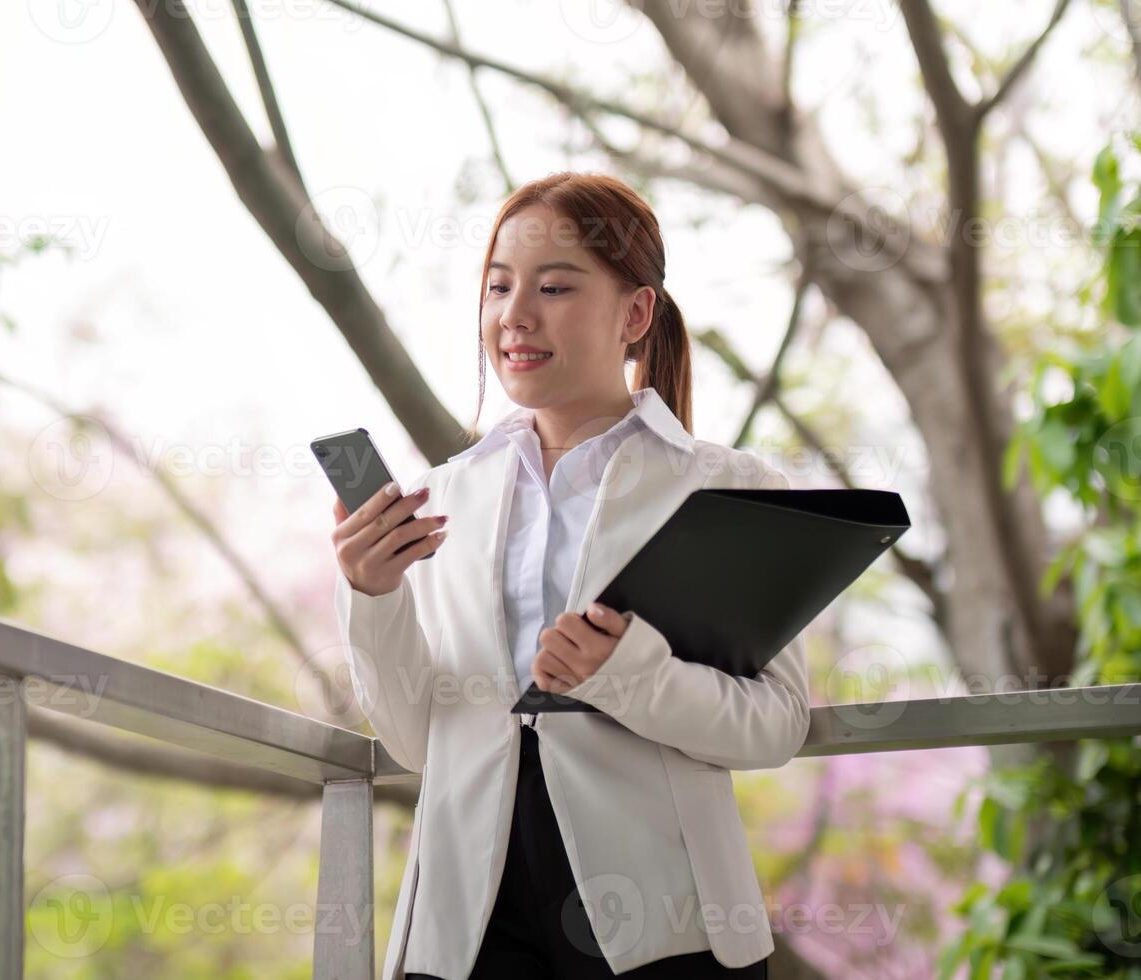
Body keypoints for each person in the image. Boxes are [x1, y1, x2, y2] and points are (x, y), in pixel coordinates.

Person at [331, 171, 808, 980]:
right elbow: (417, 742)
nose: (516, 316)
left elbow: (775, 726)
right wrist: (372, 599)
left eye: (554, 287)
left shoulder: (729, 490)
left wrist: (627, 675)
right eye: (498, 288)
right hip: (465, 924)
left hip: (670, 926)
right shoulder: (442, 497)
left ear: (635, 313)